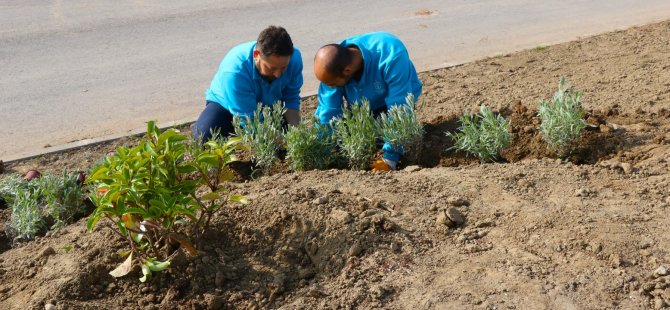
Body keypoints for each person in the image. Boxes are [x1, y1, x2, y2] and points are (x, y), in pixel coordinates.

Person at [313, 32, 422, 171]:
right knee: (352, 138)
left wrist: (390, 158)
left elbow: (399, 106)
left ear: (347, 70)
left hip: (394, 98)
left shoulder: (390, 53)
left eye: (333, 84)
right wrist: (321, 152)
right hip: (361, 104)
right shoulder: (331, 67)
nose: (330, 86)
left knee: (391, 135)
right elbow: (328, 111)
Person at [193, 25, 303, 142]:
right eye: (271, 68)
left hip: (267, 106)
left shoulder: (294, 59)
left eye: (283, 68)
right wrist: (285, 142)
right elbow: (251, 122)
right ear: (256, 55)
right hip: (226, 106)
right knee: (204, 139)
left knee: (289, 137)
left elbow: (290, 99)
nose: (277, 75)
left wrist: (298, 135)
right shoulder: (234, 71)